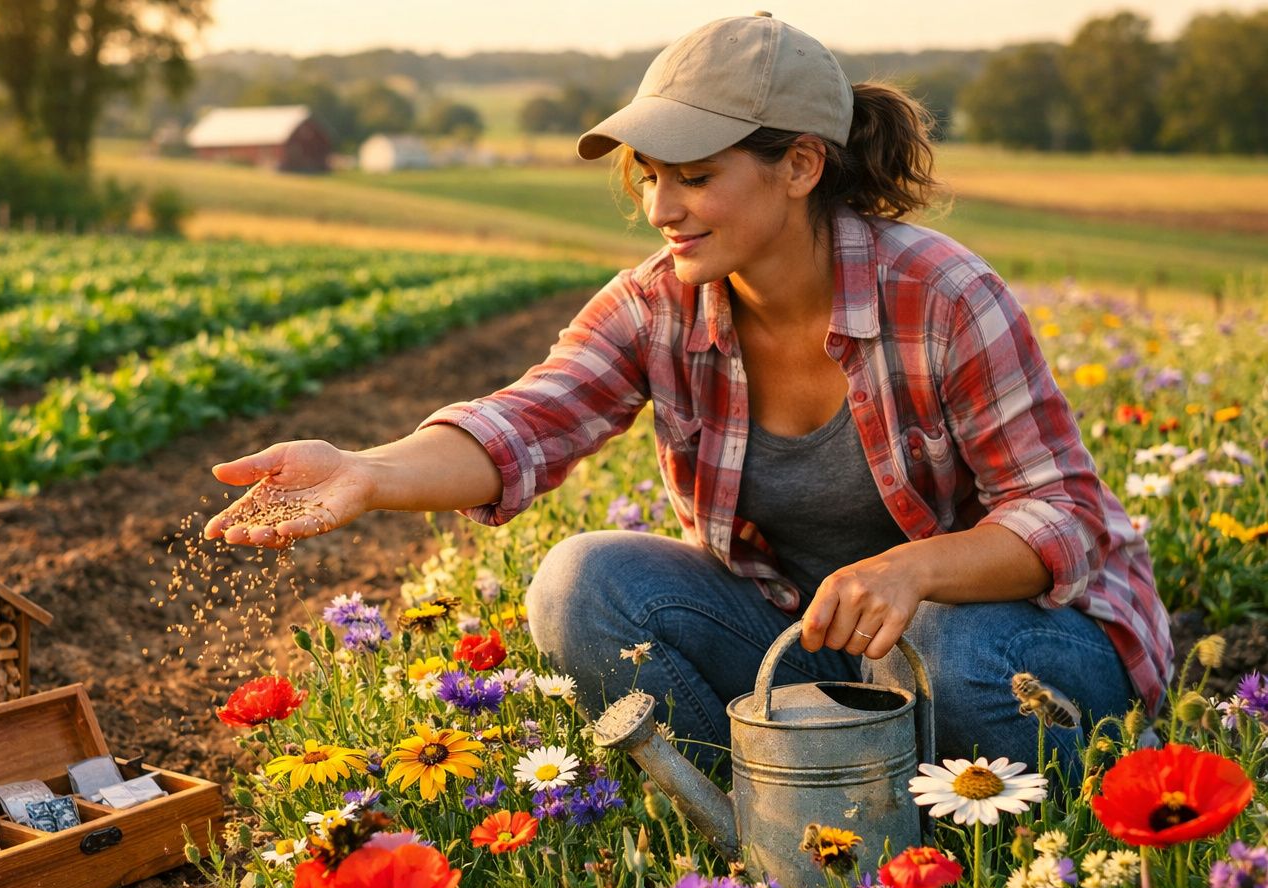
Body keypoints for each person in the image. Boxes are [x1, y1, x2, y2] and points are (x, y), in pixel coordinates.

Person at [204, 13, 1172, 776]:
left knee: (947, 651)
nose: (661, 208)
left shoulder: (943, 298)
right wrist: (368, 472)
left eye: (696, 178)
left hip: (1014, 645)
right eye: (650, 177)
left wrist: (914, 571)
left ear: (800, 166)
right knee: (579, 585)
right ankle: (771, 810)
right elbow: (524, 423)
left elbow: (1067, 515)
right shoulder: (656, 303)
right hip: (804, 643)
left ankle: (960, 822)